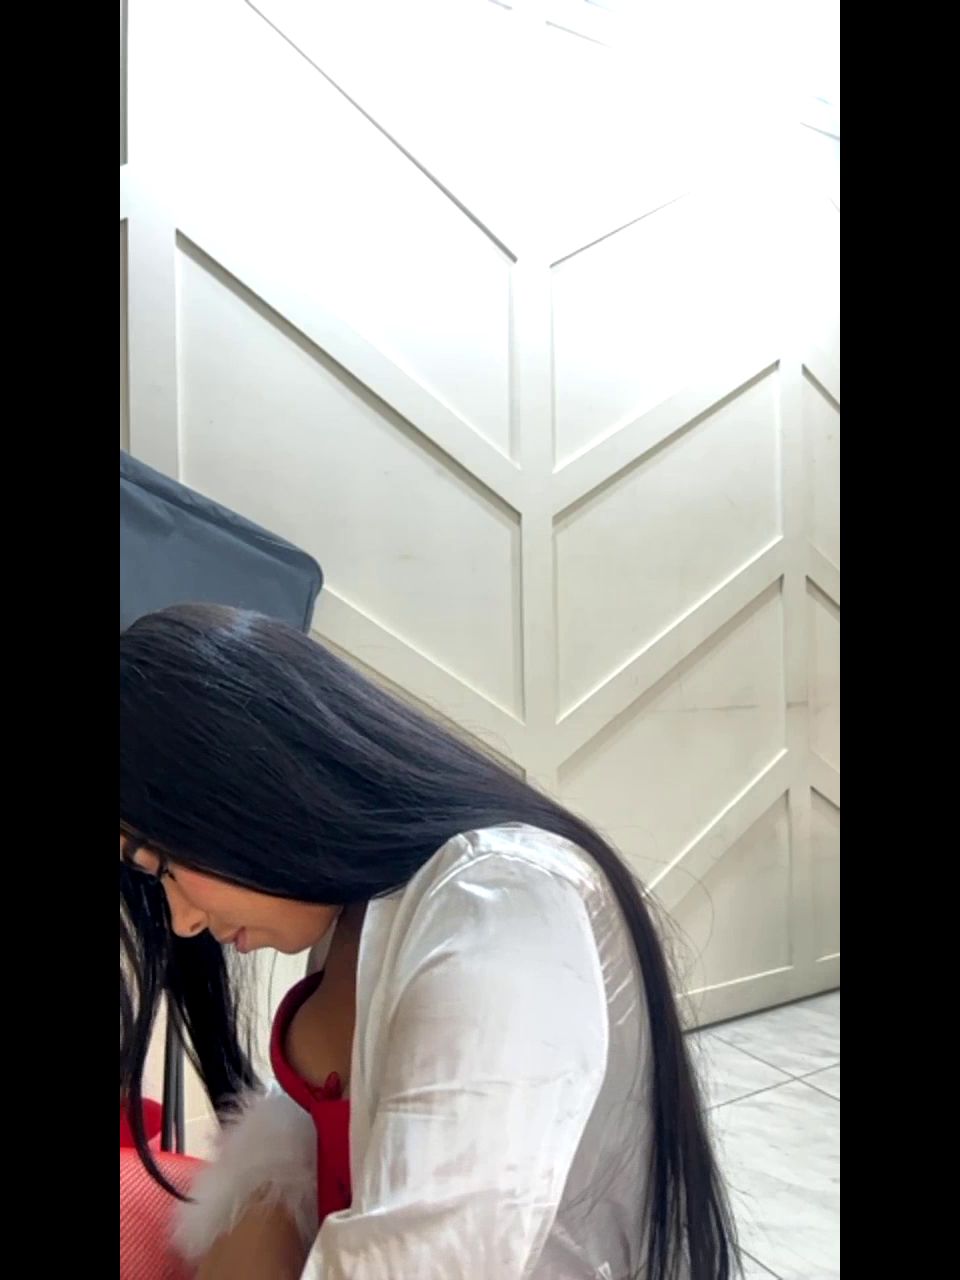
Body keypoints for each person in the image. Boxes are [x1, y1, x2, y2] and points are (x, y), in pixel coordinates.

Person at [120, 604, 738, 1280]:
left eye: (166, 864)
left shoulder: (500, 904)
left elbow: (437, 1256)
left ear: (249, 783)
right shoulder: (361, 904)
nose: (182, 921)